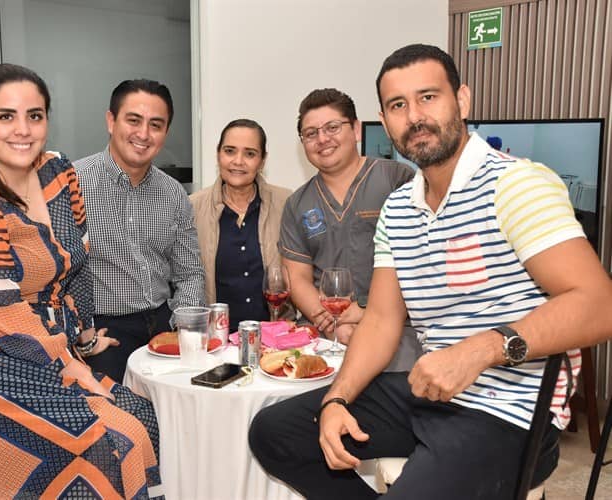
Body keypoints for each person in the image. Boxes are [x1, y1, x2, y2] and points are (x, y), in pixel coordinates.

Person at [249, 44, 612, 499]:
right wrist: (337, 399)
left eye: (428, 97)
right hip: (428, 396)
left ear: (462, 100)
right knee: (274, 432)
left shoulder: (516, 184)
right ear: (384, 118)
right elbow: (381, 319)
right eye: (398, 105)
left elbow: (599, 305)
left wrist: (479, 350)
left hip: (508, 415)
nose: (414, 116)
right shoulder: (399, 208)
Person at [0, 64, 163, 498]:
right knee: (101, 444)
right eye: (6, 116)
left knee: (144, 415)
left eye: (35, 115)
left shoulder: (57, 172)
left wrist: (82, 335)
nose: (23, 129)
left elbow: (77, 262)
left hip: (40, 347)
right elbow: (2, 316)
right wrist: (72, 365)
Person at [279, 87, 420, 371]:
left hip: (397, 333)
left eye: (332, 127)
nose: (322, 139)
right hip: (324, 336)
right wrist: (332, 324)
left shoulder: (398, 180)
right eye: (311, 133)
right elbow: (297, 279)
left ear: (356, 129)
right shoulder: (297, 203)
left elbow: (418, 263)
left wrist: (365, 312)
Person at [75, 79, 205, 382]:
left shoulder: (174, 193)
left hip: (164, 325)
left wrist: (181, 328)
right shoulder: (73, 185)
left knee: (182, 414)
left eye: (155, 125)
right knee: (121, 423)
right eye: (133, 120)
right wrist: (82, 335)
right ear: (111, 120)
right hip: (104, 333)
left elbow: (190, 273)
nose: (143, 134)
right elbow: (55, 276)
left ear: (165, 132)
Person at [190, 119, 292, 330]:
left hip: (275, 340)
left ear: (262, 161)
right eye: (229, 151)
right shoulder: (192, 207)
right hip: (215, 341)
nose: (238, 161)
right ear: (218, 155)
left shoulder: (286, 203)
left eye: (250, 154)